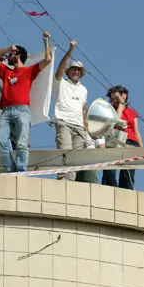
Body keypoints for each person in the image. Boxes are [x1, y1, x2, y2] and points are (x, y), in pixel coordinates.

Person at [0, 31, 52, 172]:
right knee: (0, 142)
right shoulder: (6, 71)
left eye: (11, 55)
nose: (7, 57)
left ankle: (21, 171)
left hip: (22, 111)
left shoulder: (29, 71)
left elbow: (47, 59)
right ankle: (11, 171)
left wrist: (46, 41)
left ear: (18, 56)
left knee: (22, 144)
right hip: (6, 112)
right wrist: (7, 49)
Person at [53, 40, 97, 183]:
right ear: (69, 71)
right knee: (65, 154)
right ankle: (63, 182)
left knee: (76, 159)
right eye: (74, 69)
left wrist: (85, 127)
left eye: (79, 70)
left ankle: (70, 184)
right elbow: (60, 68)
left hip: (79, 127)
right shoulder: (61, 82)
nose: (76, 72)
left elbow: (83, 109)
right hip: (64, 122)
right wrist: (70, 51)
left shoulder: (84, 89)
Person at [101, 85, 143, 190]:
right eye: (113, 99)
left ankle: (126, 192)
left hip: (131, 141)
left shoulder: (132, 113)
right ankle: (110, 189)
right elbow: (117, 121)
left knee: (127, 172)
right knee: (110, 169)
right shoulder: (110, 110)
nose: (114, 101)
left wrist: (142, 149)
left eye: (117, 98)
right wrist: (120, 103)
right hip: (115, 139)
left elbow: (136, 131)